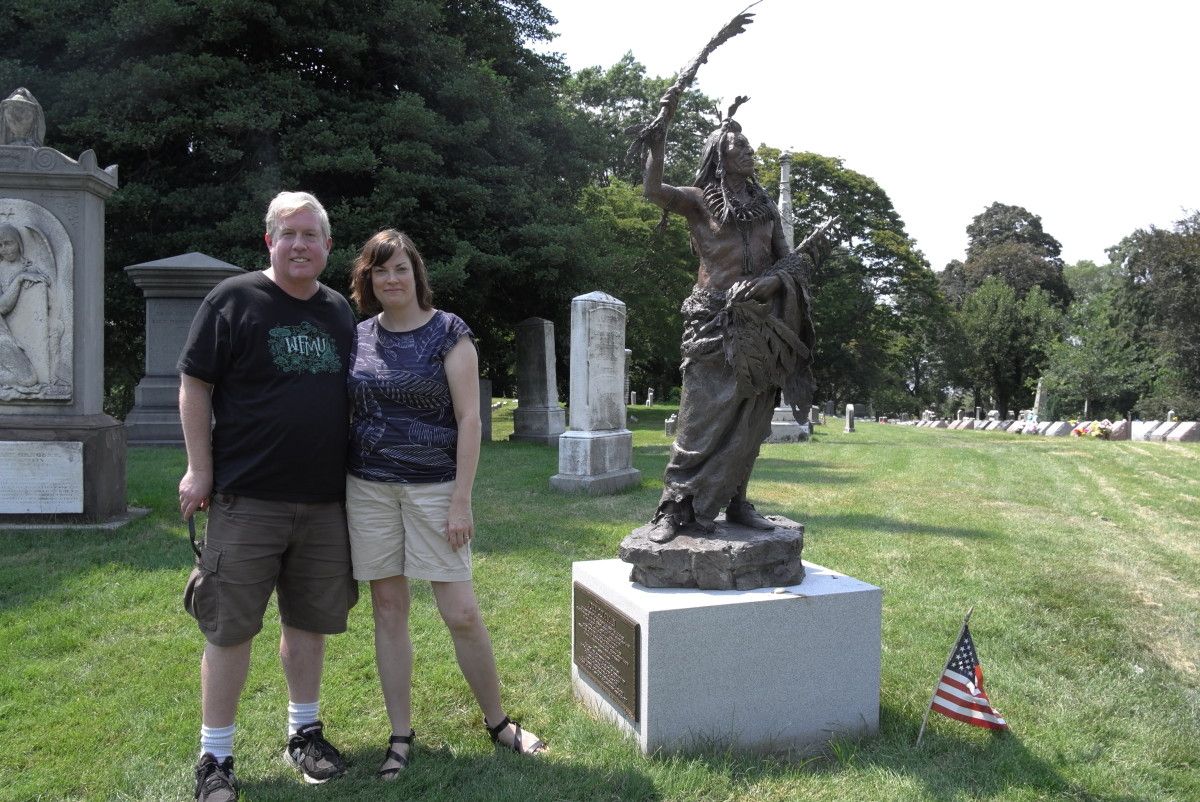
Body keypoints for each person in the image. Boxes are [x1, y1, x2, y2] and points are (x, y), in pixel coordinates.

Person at [345, 229, 545, 780]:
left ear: (417, 274)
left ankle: (499, 723)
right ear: (368, 278)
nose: (391, 279)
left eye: (401, 269)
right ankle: (400, 737)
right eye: (380, 270)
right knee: (388, 610)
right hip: (368, 489)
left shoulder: (448, 332)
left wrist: (462, 501)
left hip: (435, 490)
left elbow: (470, 419)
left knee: (460, 613)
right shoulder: (358, 336)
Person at [178, 191, 357, 801]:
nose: (300, 244)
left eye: (311, 235)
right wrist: (199, 469)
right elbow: (195, 384)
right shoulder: (233, 300)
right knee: (229, 628)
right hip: (246, 499)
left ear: (328, 247)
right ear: (270, 243)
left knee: (307, 623)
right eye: (289, 234)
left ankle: (303, 733)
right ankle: (215, 757)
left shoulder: (339, 313)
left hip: (325, 502)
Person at [640, 98, 817, 544]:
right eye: (739, 148)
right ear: (720, 155)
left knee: (751, 419)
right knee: (698, 419)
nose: (749, 153)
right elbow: (654, 191)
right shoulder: (699, 201)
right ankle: (675, 506)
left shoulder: (764, 207)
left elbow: (790, 262)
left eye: (751, 148)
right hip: (711, 319)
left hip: (759, 322)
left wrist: (771, 285)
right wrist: (657, 145)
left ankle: (738, 501)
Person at [0, 223, 48, 392]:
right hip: (3, 334)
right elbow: (3, 307)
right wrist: (20, 279)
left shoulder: (32, 268)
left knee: (29, 379)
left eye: (8, 243)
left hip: (27, 331)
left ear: (19, 243)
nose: (4, 249)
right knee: (28, 380)